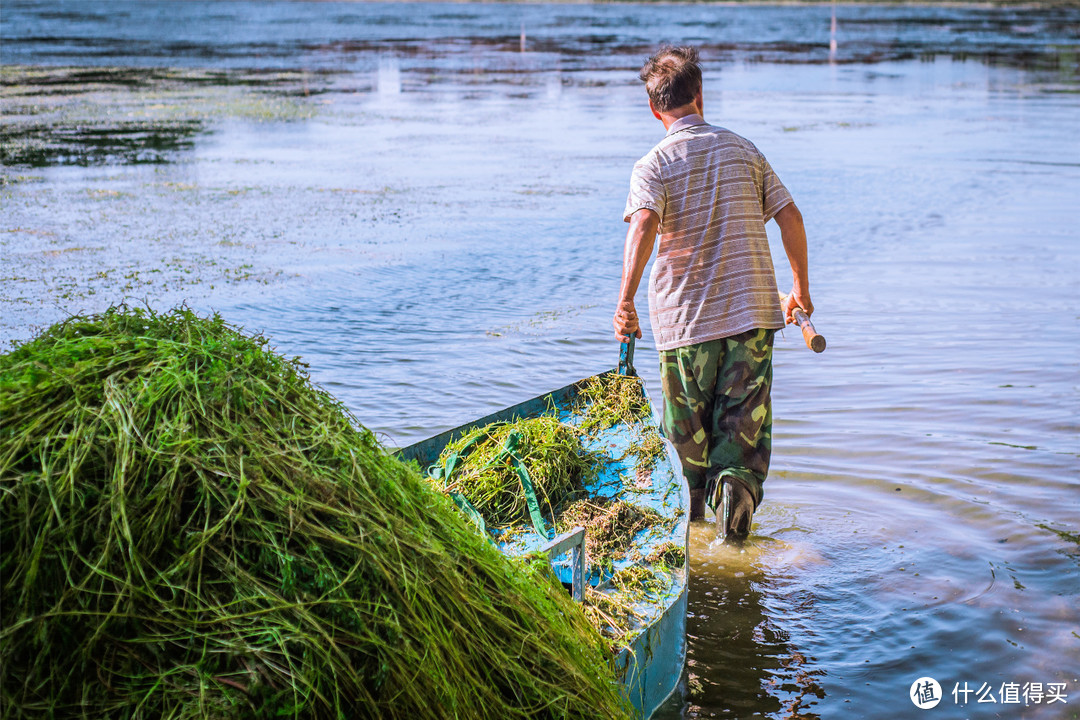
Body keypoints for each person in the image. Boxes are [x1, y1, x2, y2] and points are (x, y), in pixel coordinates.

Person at [613, 46, 813, 538]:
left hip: (686, 327)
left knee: (685, 450)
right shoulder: (745, 150)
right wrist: (800, 291)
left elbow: (643, 225)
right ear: (700, 95)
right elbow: (790, 216)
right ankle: (735, 528)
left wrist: (625, 301)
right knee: (740, 446)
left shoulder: (652, 165)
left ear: (654, 107)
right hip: (752, 319)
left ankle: (694, 548)